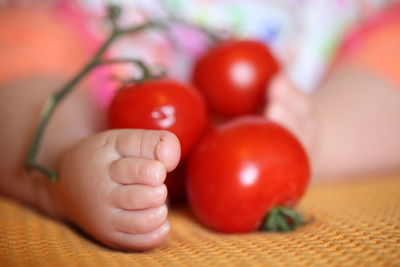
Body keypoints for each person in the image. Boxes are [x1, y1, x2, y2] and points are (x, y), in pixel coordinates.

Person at [0, 0, 399, 251]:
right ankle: (59, 160)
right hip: (108, 36)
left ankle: (311, 142)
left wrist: (314, 136)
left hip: (318, 40)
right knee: (25, 43)